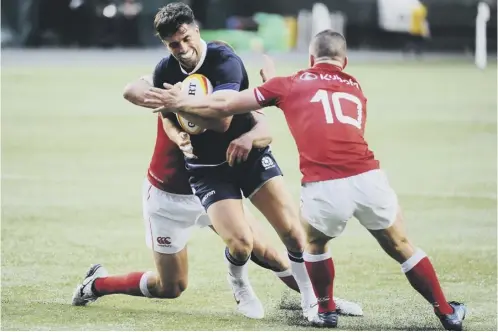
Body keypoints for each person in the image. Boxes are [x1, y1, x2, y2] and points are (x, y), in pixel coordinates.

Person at [144, 30, 467, 330]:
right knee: (401, 246)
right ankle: (446, 311)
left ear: (311, 59)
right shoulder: (354, 87)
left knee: (311, 245)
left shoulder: (290, 83)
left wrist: (180, 102)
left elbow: (229, 106)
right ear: (345, 62)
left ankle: (322, 308)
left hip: (324, 185)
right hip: (368, 176)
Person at [72, 2, 362, 320]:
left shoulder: (222, 70)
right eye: (173, 44)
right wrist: (170, 114)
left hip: (216, 180)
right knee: (170, 286)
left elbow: (247, 120)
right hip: (170, 192)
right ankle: (98, 284)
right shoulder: (167, 76)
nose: (183, 49)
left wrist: (189, 107)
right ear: (167, 46)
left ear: (198, 33)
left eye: (187, 39)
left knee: (266, 250)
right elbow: (135, 92)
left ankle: (322, 301)